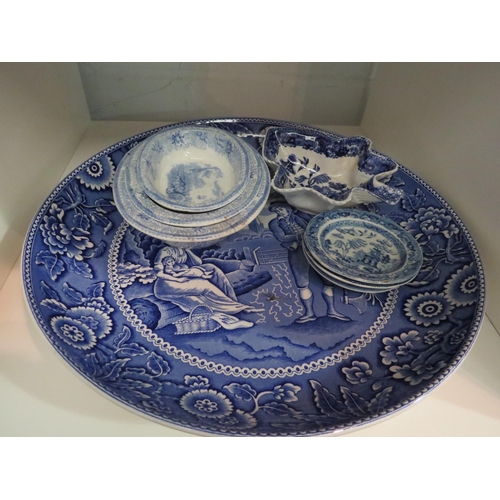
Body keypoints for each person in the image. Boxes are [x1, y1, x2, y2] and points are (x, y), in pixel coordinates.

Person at [268, 203, 350, 323]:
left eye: (281, 208)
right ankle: (309, 313)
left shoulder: (302, 215)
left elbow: (316, 225)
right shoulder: (274, 223)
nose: (279, 211)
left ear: (288, 207)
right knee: (302, 283)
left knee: (327, 280)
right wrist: (302, 236)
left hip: (315, 249)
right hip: (297, 252)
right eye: (276, 210)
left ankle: (332, 310)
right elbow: (281, 238)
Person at [152, 246, 261, 329]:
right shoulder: (165, 252)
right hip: (167, 284)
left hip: (182, 277)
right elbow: (160, 274)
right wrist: (178, 279)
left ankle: (232, 303)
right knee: (203, 285)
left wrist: (187, 250)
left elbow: (198, 262)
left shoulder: (183, 250)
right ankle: (234, 311)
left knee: (211, 269)